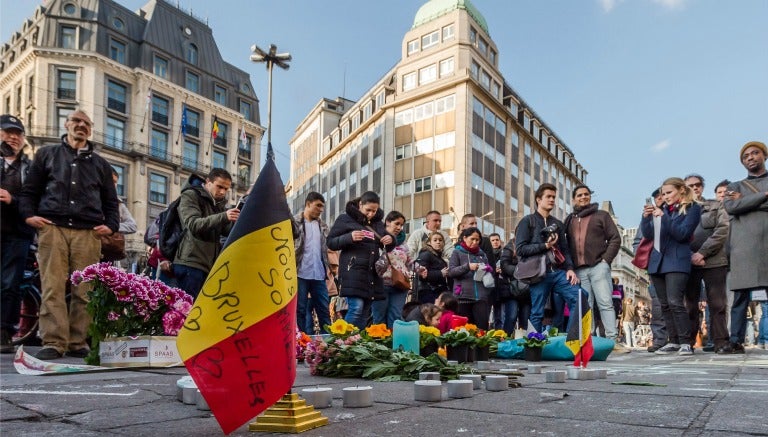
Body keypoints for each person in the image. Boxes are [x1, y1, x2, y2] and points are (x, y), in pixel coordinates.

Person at [19, 110, 120, 360]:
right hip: (53, 227)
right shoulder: (46, 155)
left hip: (88, 232)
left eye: (86, 123)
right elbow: (30, 190)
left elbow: (111, 201)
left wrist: (112, 225)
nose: (81, 126)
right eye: (77, 121)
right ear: (66, 124)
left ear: (91, 130)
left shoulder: (101, 165)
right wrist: (28, 215)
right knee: (52, 286)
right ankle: (54, 342)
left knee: (85, 290)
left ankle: (78, 342)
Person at [640, 177, 702, 356]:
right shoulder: (665, 210)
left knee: (676, 302)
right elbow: (649, 234)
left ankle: (685, 342)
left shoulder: (692, 209)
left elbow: (682, 234)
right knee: (664, 304)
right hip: (657, 261)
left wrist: (664, 217)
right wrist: (645, 218)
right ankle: (673, 341)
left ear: (681, 190)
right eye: (663, 193)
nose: (665, 197)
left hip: (676, 261)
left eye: (669, 192)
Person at [564, 184, 627, 353]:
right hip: (579, 271)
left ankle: (613, 341)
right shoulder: (569, 219)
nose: (583, 197)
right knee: (586, 305)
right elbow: (565, 245)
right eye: (579, 195)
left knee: (605, 303)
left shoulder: (602, 216)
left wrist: (606, 261)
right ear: (574, 199)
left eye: (586, 194)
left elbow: (615, 238)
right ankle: (588, 339)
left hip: (599, 266)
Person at [515, 183, 585, 334]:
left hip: (558, 272)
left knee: (580, 297)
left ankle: (572, 339)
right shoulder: (527, 221)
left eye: (554, 197)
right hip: (537, 274)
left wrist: (570, 269)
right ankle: (534, 346)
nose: (552, 200)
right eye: (548, 197)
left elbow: (565, 250)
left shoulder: (558, 224)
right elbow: (520, 249)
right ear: (538, 200)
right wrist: (545, 246)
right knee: (537, 312)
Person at [722, 141, 768, 354]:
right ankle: (735, 340)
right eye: (746, 156)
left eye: (755, 153)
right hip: (743, 247)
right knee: (740, 297)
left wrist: (747, 201)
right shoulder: (734, 187)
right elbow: (732, 207)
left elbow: (741, 205)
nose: (750, 157)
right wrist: (763, 196)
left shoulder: (742, 191)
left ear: (764, 156)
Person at [327, 191, 393, 330]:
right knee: (356, 308)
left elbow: (387, 243)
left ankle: (357, 343)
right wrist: (349, 237)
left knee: (365, 312)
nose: (370, 214)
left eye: (374, 211)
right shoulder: (345, 219)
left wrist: (390, 239)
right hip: (352, 270)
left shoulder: (377, 223)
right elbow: (331, 242)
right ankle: (344, 340)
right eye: (368, 210)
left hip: (371, 274)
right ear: (360, 205)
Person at [172, 168, 239, 299]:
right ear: (208, 182)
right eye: (219, 186)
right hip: (190, 263)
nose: (222, 192)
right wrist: (224, 216)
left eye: (226, 189)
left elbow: (226, 231)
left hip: (207, 266)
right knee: (186, 311)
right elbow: (193, 224)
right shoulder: (190, 195)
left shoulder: (218, 204)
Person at [683, 174, 729, 353]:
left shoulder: (716, 206)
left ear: (702, 187)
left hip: (714, 260)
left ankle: (720, 342)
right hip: (687, 262)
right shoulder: (679, 209)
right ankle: (688, 342)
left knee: (717, 303)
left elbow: (723, 229)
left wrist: (702, 252)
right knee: (689, 304)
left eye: (697, 185)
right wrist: (690, 255)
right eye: (690, 185)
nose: (694, 188)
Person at [0, 115, 34, 353]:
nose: (13, 137)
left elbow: (36, 201)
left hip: (17, 235)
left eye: (18, 133)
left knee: (10, 284)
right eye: (8, 131)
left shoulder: (30, 169)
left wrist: (13, 200)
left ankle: (4, 332)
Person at [634, 188, 668, 352]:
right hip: (655, 266)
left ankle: (681, 338)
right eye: (658, 197)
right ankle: (660, 339)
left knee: (677, 301)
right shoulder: (648, 218)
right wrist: (646, 262)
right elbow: (637, 242)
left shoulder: (676, 212)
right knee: (658, 303)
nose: (661, 198)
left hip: (676, 263)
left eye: (664, 195)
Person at [292, 192, 332, 334]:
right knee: (300, 310)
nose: (321, 210)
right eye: (318, 206)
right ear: (308, 204)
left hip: (319, 274)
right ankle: (300, 344)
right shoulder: (295, 222)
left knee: (324, 311)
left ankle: (327, 344)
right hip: (299, 273)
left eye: (322, 207)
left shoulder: (323, 226)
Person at [448, 227, 494, 329]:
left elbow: (488, 272)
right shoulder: (457, 252)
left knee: (482, 329)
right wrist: (468, 266)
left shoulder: (482, 255)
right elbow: (451, 272)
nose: (475, 242)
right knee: (463, 330)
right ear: (464, 238)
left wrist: (487, 269)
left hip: (481, 297)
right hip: (463, 297)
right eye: (472, 239)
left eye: (477, 240)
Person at [373, 211, 413, 328]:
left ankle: (393, 344)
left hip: (400, 284)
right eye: (397, 224)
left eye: (402, 225)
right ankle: (378, 344)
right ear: (388, 222)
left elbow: (409, 261)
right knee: (379, 317)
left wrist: (420, 269)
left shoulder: (403, 243)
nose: (399, 228)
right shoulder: (379, 238)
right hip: (381, 284)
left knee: (395, 316)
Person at [498, 238, 531, 336]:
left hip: (527, 290)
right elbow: (505, 266)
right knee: (511, 317)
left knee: (525, 320)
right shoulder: (510, 246)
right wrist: (523, 270)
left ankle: (522, 343)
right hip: (512, 289)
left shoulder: (532, 245)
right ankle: (504, 340)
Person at [414, 232, 452, 304]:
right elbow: (421, 275)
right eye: (435, 240)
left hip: (437, 290)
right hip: (428, 291)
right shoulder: (426, 254)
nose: (438, 242)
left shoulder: (438, 256)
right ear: (429, 243)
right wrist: (440, 273)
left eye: (440, 240)